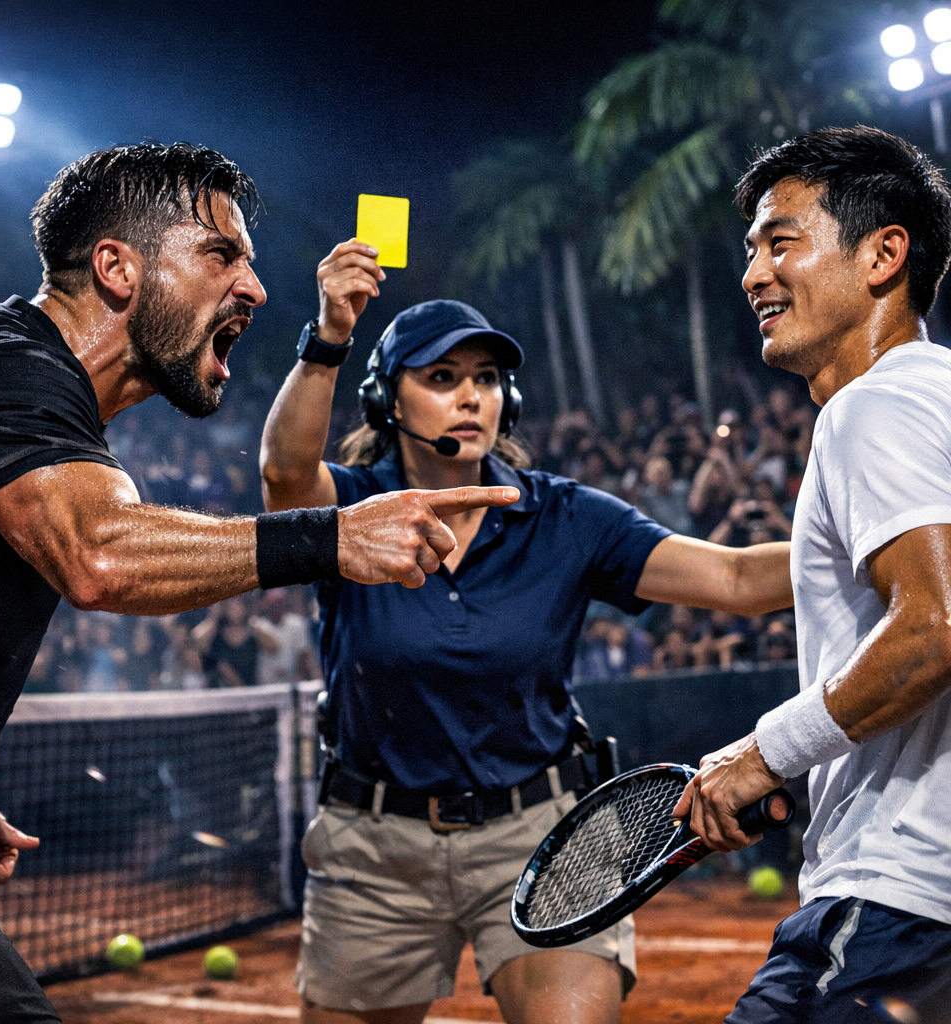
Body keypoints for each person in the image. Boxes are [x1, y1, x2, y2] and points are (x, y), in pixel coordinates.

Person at [0, 143, 516, 1023]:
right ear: (118, 268)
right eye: (221, 255)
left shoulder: (18, 391)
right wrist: (333, 535)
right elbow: (100, 556)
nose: (256, 288)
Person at [260, 242, 795, 1024]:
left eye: (485, 379)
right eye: (441, 378)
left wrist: (884, 545)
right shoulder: (356, 511)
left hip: (541, 836)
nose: (470, 397)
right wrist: (329, 337)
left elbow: (738, 580)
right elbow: (283, 480)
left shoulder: (565, 517)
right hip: (373, 846)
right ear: (387, 401)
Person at [674, 126, 951, 1022]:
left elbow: (935, 628)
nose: (753, 275)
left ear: (883, 255)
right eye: (750, 251)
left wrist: (762, 756)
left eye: (781, 242)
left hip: (899, 902)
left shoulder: (874, 406)